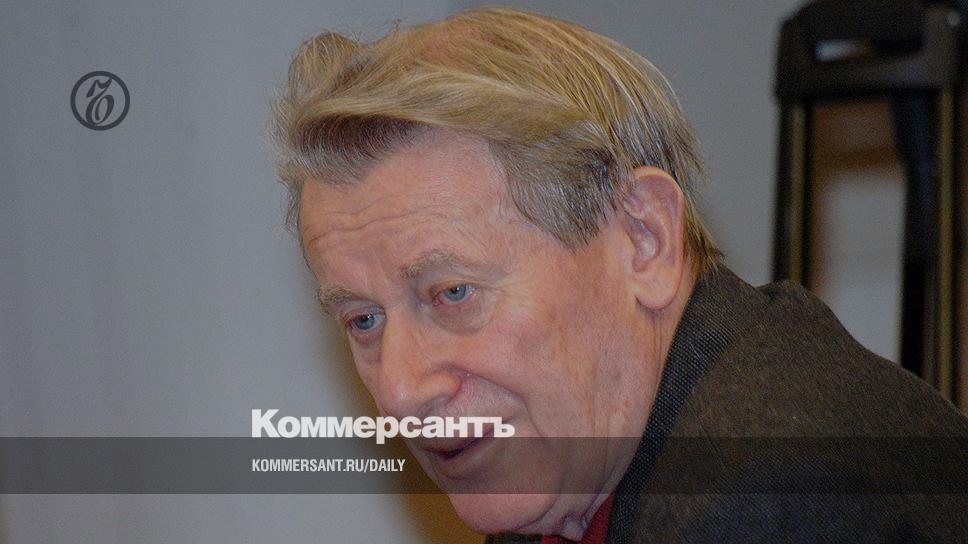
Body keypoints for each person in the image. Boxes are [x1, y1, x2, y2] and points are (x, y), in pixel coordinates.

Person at [269, 7, 968, 543]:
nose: (399, 390)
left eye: (453, 294)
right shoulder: (561, 469)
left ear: (644, 241)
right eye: (364, 320)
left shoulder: (766, 494)